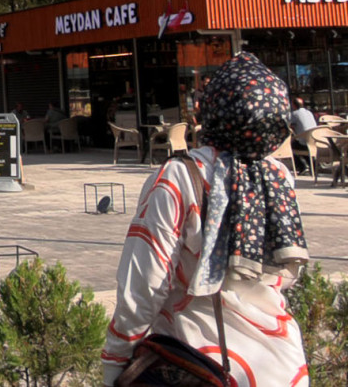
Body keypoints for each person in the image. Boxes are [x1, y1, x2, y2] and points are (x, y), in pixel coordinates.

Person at [101, 51, 309, 387]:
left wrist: (115, 361)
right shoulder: (279, 178)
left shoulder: (180, 177)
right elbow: (283, 278)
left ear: (210, 111)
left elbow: (144, 288)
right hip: (284, 366)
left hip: (201, 365)